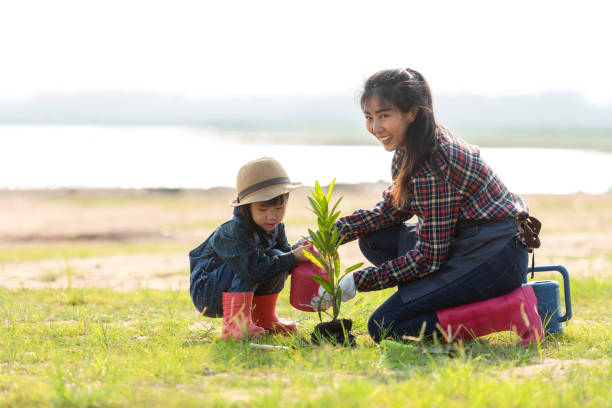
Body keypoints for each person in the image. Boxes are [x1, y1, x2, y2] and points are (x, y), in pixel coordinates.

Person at [314, 68, 543, 345]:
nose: (375, 128)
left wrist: (357, 282)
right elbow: (392, 211)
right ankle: (435, 298)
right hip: (468, 242)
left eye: (384, 115)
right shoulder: (411, 146)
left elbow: (429, 257)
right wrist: (328, 235)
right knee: (375, 241)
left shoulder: (434, 163)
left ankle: (510, 310)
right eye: (369, 117)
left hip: (494, 257)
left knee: (385, 326)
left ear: (412, 112)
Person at [189, 157, 313, 340]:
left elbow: (283, 261)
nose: (272, 216)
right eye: (263, 210)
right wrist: (293, 257)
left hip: (241, 278)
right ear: (247, 207)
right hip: (208, 292)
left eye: (279, 208)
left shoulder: (276, 227)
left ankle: (263, 319)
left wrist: (297, 250)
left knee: (278, 256)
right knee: (252, 262)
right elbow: (253, 269)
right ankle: (235, 325)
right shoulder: (233, 231)